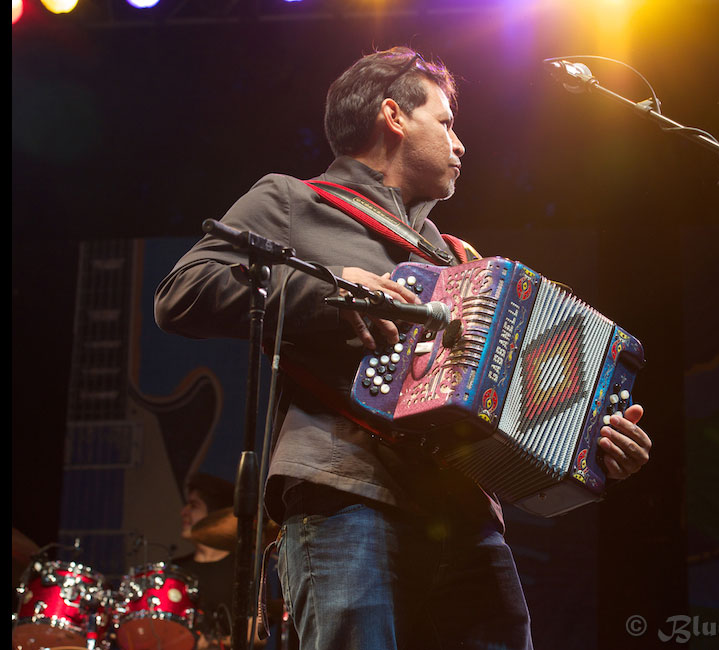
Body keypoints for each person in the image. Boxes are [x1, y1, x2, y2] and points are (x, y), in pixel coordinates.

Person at [154, 46, 652, 650]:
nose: (461, 144)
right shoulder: (294, 201)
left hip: (467, 517)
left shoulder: (463, 264)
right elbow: (180, 294)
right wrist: (328, 289)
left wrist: (589, 445)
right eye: (446, 123)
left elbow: (522, 404)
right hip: (347, 496)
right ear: (393, 115)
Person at [175, 473, 239, 649]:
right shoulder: (176, 570)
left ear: (216, 516)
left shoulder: (242, 570)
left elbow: (258, 634)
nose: (184, 512)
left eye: (194, 506)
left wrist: (212, 643)